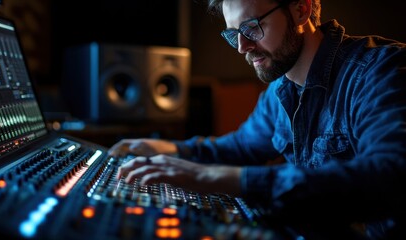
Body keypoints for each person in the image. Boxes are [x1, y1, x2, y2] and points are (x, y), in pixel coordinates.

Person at [108, 0, 406, 238]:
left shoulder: (380, 71)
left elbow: (388, 174)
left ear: (301, 10)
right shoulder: (279, 88)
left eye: (251, 27)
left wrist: (218, 178)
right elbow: (240, 146)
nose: (242, 47)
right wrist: (172, 151)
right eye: (233, 33)